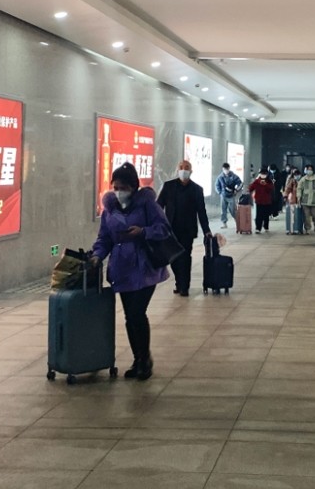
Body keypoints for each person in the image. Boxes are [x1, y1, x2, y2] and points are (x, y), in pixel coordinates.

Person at [90, 163, 170, 380]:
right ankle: (138, 359)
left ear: (134, 187)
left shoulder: (147, 204)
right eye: (115, 187)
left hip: (145, 268)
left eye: (123, 188)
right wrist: (97, 255)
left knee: (137, 313)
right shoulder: (109, 209)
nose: (119, 192)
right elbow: (104, 238)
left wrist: (143, 232)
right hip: (122, 269)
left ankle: (145, 359)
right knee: (129, 316)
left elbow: (164, 228)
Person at [157, 160, 212, 297]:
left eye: (186, 168)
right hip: (170, 230)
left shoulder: (197, 189)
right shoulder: (168, 186)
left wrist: (206, 230)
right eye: (181, 167)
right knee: (173, 258)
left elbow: (201, 212)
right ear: (177, 170)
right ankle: (179, 282)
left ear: (191, 171)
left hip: (188, 230)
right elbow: (158, 206)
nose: (183, 170)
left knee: (185, 257)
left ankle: (184, 286)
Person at [215, 163, 243, 229]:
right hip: (223, 196)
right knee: (223, 210)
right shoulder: (220, 177)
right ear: (223, 169)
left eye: (227, 169)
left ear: (229, 169)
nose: (226, 170)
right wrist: (220, 192)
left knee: (233, 210)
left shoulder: (234, 176)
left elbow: (240, 183)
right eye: (224, 169)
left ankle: (238, 222)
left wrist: (236, 190)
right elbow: (217, 185)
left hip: (231, 195)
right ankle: (224, 223)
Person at [248, 168, 274, 234]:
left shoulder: (269, 181)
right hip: (259, 201)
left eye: (264, 174)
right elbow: (251, 188)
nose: (263, 175)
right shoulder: (257, 181)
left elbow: (271, 189)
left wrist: (265, 184)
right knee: (259, 215)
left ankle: (266, 226)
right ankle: (258, 228)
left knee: (266, 215)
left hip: (267, 201)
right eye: (262, 174)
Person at [297, 164, 315, 234]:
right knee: (306, 217)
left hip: (314, 201)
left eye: (310, 169)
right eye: (308, 169)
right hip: (305, 201)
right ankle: (307, 228)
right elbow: (299, 188)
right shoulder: (303, 179)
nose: (309, 171)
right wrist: (299, 196)